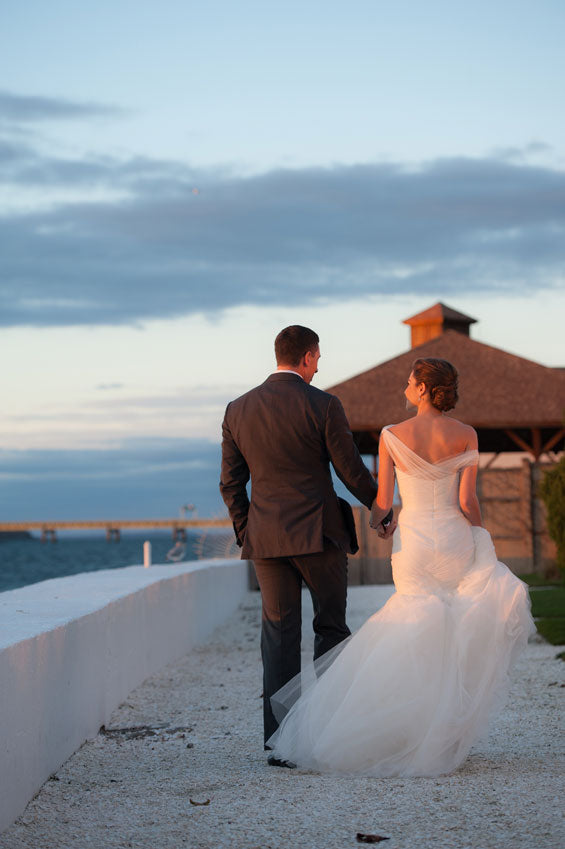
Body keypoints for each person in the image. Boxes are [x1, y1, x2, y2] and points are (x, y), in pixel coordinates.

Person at [267, 357, 535, 777]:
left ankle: (402, 731)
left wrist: (379, 524)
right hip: (454, 540)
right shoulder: (466, 434)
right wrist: (481, 535)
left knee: (413, 624)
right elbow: (467, 503)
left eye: (410, 383)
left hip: (413, 544)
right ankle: (442, 734)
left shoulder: (392, 435)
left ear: (425, 389)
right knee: (454, 629)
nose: (405, 389)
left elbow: (384, 502)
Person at [220, 325, 394, 766]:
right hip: (319, 535)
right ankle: (328, 737)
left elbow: (230, 484)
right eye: (319, 358)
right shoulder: (323, 404)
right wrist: (381, 510)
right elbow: (350, 469)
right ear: (309, 357)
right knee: (331, 631)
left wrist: (248, 532)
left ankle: (280, 746)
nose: (319, 365)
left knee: (278, 639)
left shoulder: (237, 409)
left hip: (267, 539)